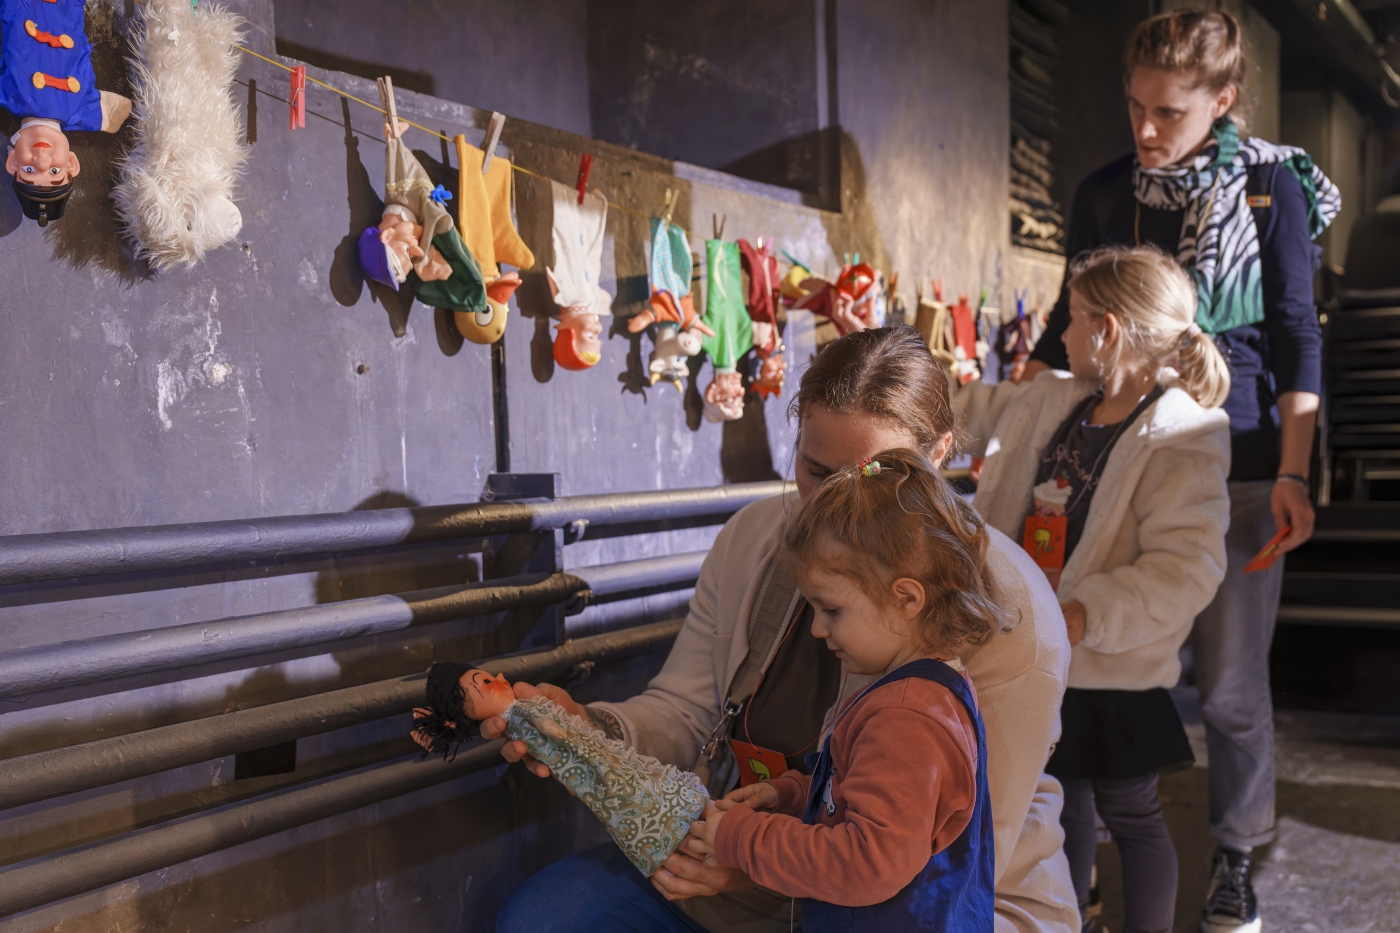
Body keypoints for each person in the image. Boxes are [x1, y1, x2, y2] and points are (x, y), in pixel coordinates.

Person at [487, 326, 1079, 933]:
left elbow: (909, 859)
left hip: (930, 906)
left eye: (870, 477)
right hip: (748, 859)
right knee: (541, 918)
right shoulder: (754, 537)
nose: (832, 507)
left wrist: (747, 857)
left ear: (939, 455)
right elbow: (689, 712)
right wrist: (594, 732)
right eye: (816, 471)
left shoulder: (1013, 613)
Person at [1019, 11, 1339, 931]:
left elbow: (1294, 335)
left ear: (1223, 100)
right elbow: (1060, 334)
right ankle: (1075, 859)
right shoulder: (1104, 192)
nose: (1146, 129)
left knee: (1232, 683)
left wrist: (1293, 473)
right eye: (1135, 107)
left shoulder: (1268, 190)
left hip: (1235, 463)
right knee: (1087, 658)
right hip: (1113, 462)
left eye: (1168, 111)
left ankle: (1235, 856)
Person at [959, 246, 1231, 933]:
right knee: (1059, 802)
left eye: (1074, 319)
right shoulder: (1058, 398)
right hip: (1037, 649)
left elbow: (1187, 564)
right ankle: (1067, 920)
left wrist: (1089, 612)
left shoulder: (1184, 431)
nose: (1065, 334)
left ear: (1108, 329)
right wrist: (904, 405)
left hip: (1108, 664)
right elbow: (978, 408)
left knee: (1131, 809)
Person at [685, 449, 1008, 929]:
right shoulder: (926, 690)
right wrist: (791, 795)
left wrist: (742, 837)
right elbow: (861, 793)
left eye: (831, 610)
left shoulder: (907, 717)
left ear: (906, 599)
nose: (817, 629)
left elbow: (869, 863)